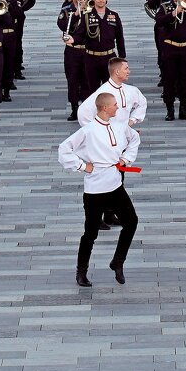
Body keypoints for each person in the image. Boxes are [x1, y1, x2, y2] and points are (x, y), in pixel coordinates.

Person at [58, 92, 141, 287]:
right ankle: (81, 271)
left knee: (131, 221)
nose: (117, 108)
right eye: (114, 105)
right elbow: (64, 149)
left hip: (114, 183)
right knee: (91, 231)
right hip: (95, 188)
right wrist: (82, 166)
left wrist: (125, 159)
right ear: (104, 108)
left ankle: (117, 261)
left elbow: (135, 139)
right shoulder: (88, 130)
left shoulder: (119, 126)